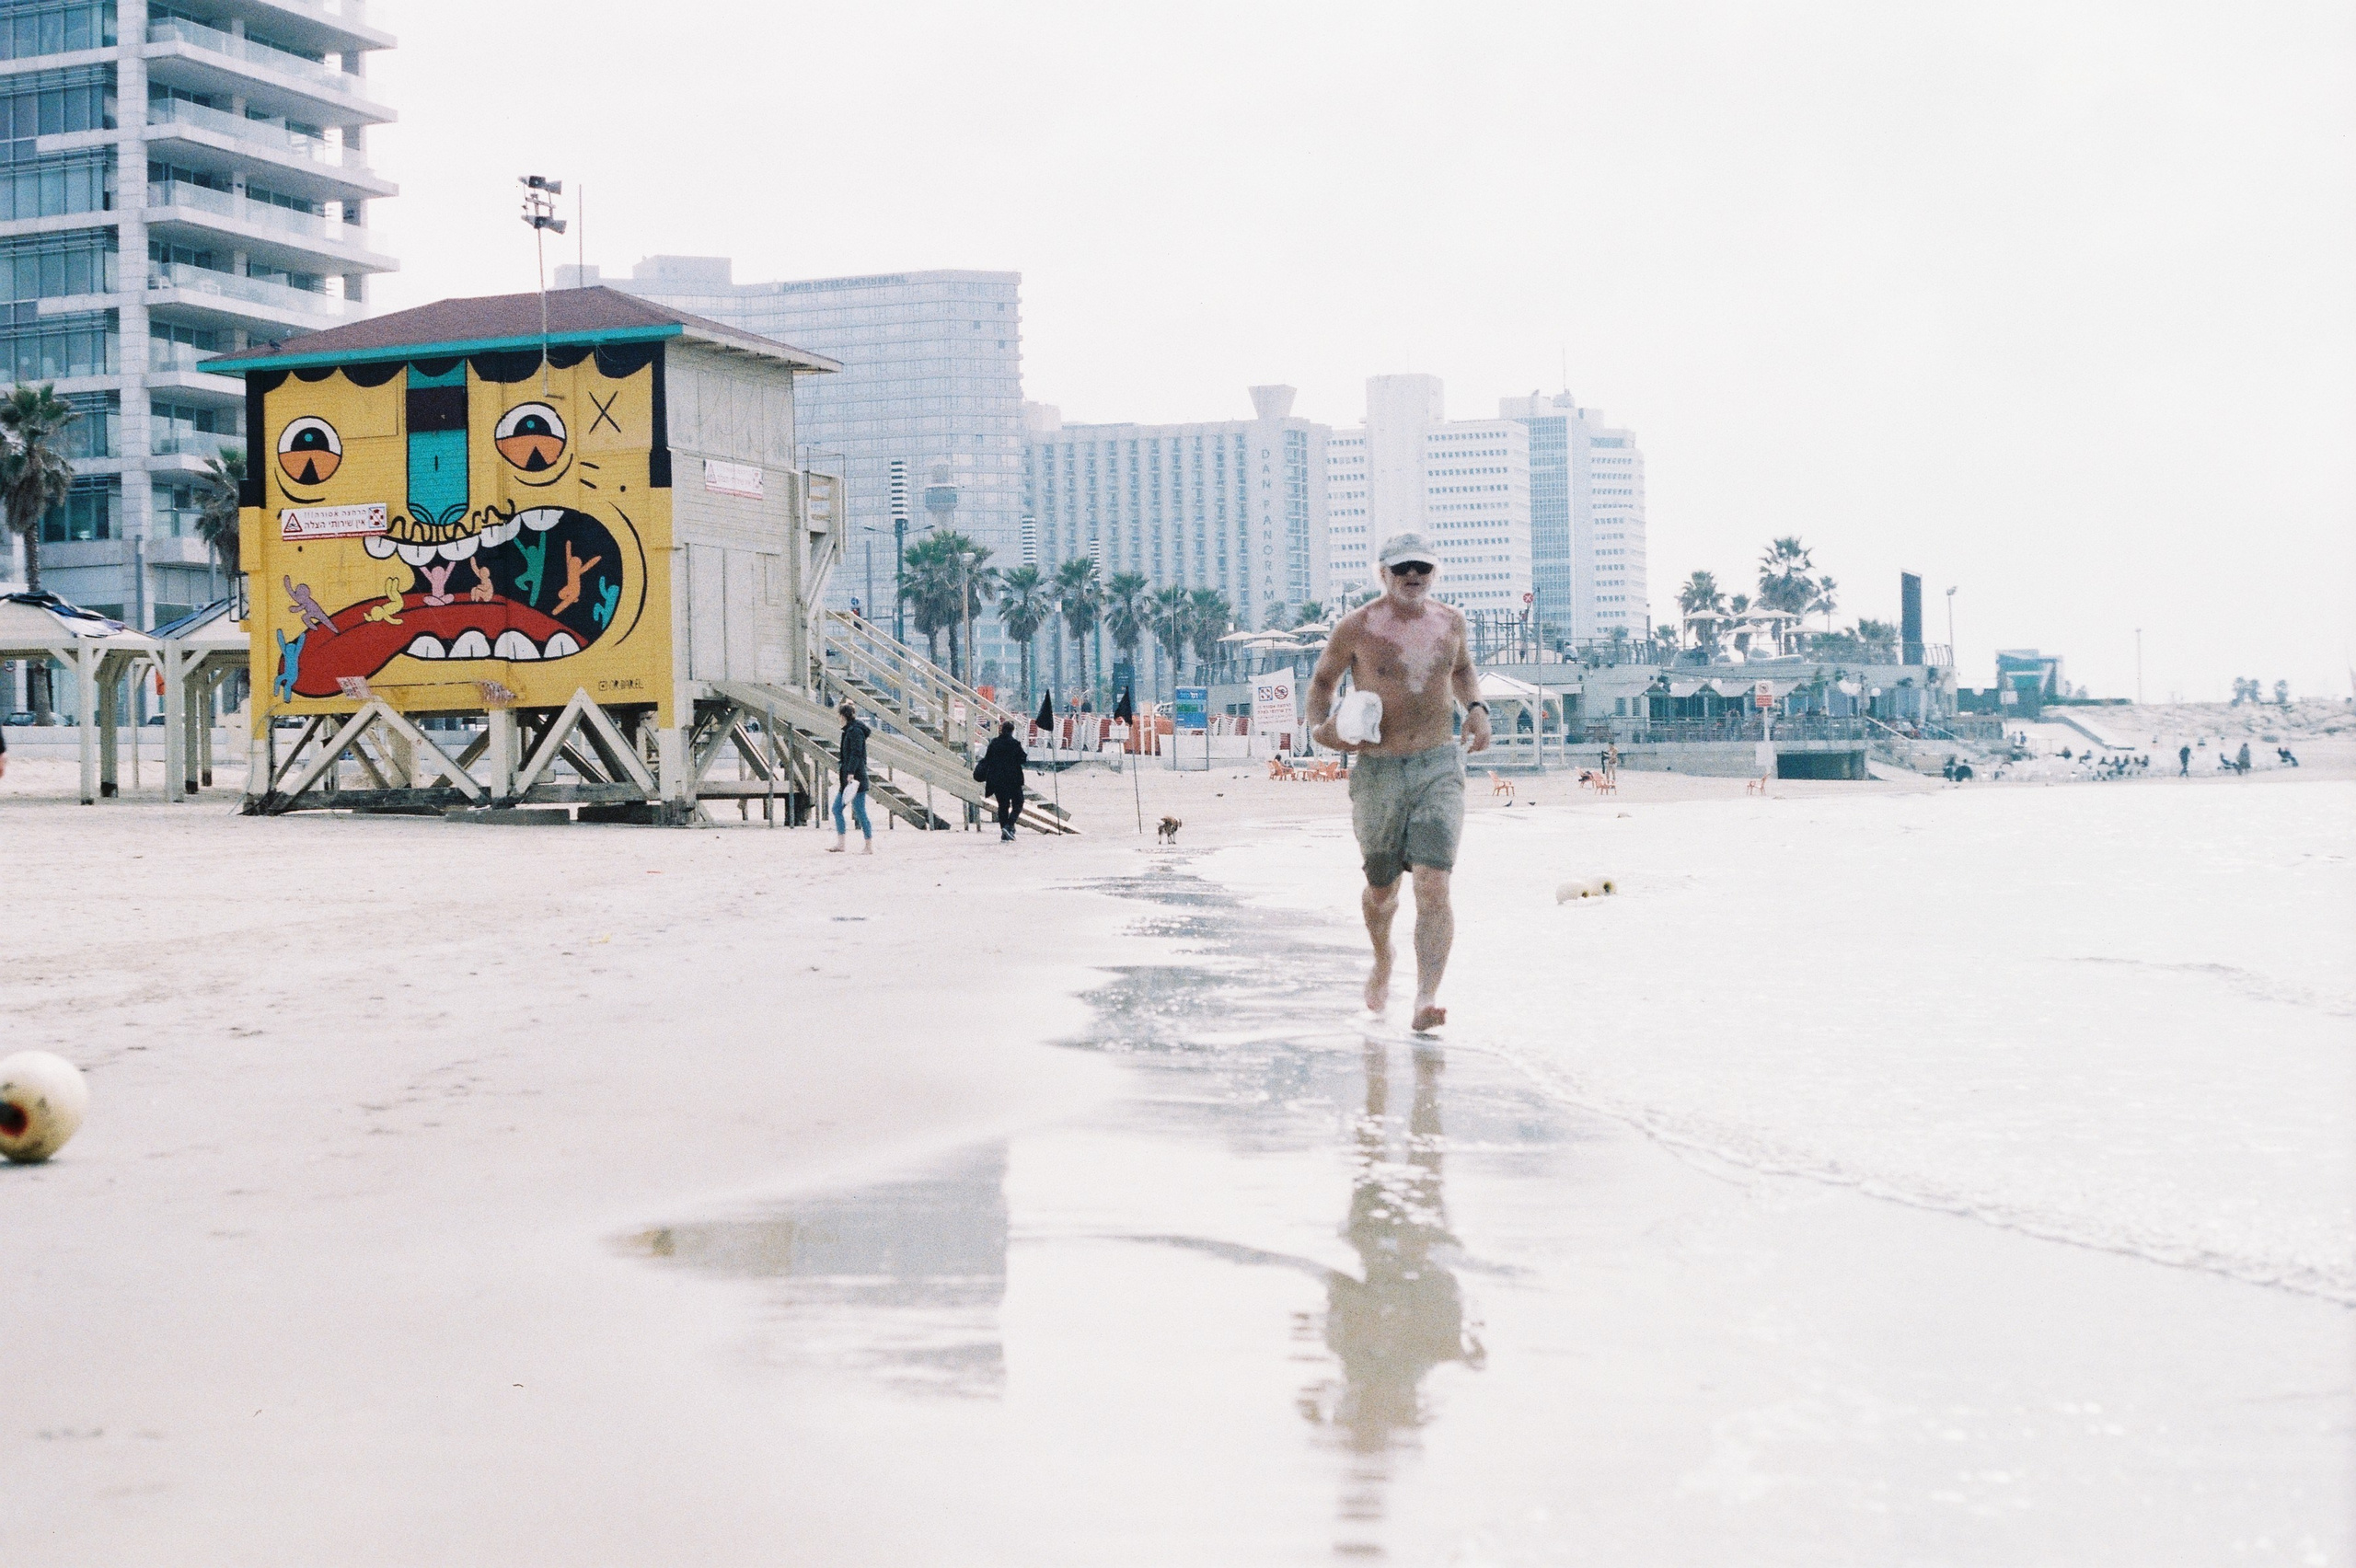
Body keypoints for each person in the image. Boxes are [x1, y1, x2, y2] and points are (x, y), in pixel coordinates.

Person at [1307, 532, 1492, 1033]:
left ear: (1434, 573)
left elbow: (1463, 669)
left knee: (1433, 883)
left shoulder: (1451, 621)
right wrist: (1320, 730)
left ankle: (1425, 997)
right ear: (1383, 573)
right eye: (1403, 568)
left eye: (1423, 568)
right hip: (1378, 769)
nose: (1414, 576)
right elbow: (1323, 682)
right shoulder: (1357, 626)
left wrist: (1475, 707)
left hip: (1438, 765)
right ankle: (1382, 957)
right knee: (1381, 888)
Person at [975, 719, 1029, 842]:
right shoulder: (1015, 744)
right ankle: (1009, 825)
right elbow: (1023, 759)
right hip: (1013, 780)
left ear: (1002, 730)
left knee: (1003, 806)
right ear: (1012, 731)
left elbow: (988, 759)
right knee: (1018, 804)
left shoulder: (994, 743)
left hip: (997, 780)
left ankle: (1004, 830)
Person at [830, 701, 873, 854]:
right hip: (847, 778)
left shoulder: (855, 731)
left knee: (860, 811)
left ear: (843, 716)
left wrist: (850, 772)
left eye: (839, 716)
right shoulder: (849, 730)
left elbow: (856, 754)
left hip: (856, 779)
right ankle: (841, 844)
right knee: (836, 809)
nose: (838, 718)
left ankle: (868, 846)